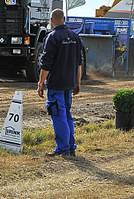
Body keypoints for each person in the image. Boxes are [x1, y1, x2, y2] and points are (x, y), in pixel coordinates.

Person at [37, 9, 83, 157]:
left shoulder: (52, 37)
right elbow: (79, 64)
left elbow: (46, 64)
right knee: (67, 114)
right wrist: (78, 82)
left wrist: (40, 83)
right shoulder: (75, 37)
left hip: (56, 84)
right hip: (69, 84)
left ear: (51, 20)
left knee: (58, 115)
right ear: (64, 19)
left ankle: (62, 148)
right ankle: (70, 147)